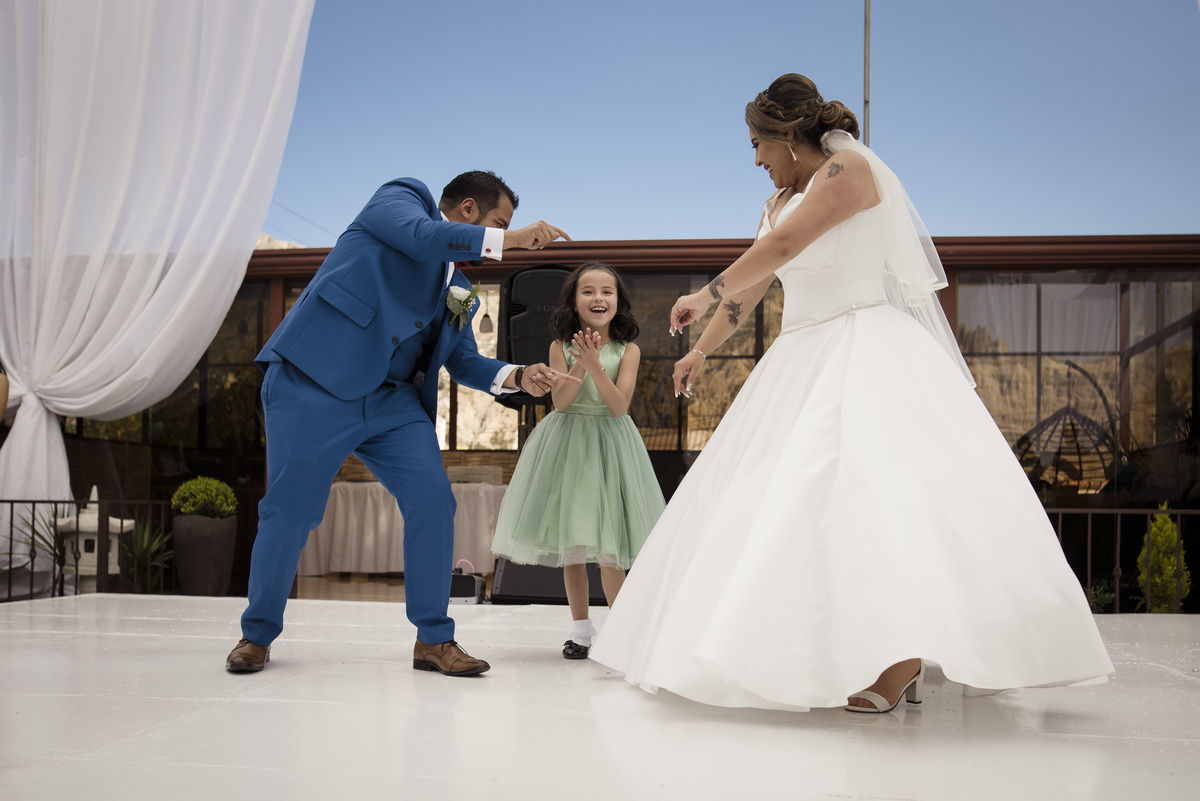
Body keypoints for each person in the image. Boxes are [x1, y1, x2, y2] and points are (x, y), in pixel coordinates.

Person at [589, 74, 1114, 712]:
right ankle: (820, 650)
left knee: (876, 498)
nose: (754, 158)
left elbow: (784, 247)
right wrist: (703, 347)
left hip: (863, 342)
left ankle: (900, 661)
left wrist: (703, 292)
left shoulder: (850, 168)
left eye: (758, 143)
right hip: (801, 350)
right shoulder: (778, 198)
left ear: (788, 135)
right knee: (790, 506)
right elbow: (758, 282)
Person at [226, 171, 579, 676]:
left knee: (434, 500)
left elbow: (462, 361)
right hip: (314, 381)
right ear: (467, 211)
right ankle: (256, 636)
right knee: (292, 511)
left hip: (393, 403)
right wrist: (513, 240)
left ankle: (434, 640)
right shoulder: (399, 200)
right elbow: (420, 238)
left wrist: (520, 375)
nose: (500, 239)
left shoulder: (460, 289)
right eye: (499, 224)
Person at [491, 263, 665, 659]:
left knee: (610, 550)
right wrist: (577, 364)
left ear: (618, 303)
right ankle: (581, 630)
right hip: (568, 446)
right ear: (574, 300)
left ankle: (621, 634)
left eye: (608, 291)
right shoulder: (558, 345)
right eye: (588, 291)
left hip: (611, 446)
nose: (598, 298)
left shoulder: (629, 350)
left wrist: (595, 365)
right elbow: (561, 402)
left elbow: (619, 407)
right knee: (573, 545)